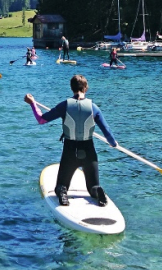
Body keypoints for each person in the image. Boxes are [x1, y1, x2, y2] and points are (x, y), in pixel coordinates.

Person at [23, 75, 117, 207]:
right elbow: (106, 131)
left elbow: (41, 119)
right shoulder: (93, 107)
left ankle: (62, 193)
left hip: (70, 151)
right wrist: (113, 143)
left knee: (61, 186)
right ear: (86, 88)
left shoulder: (64, 105)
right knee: (93, 186)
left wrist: (32, 103)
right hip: (89, 151)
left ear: (71, 88)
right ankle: (98, 191)